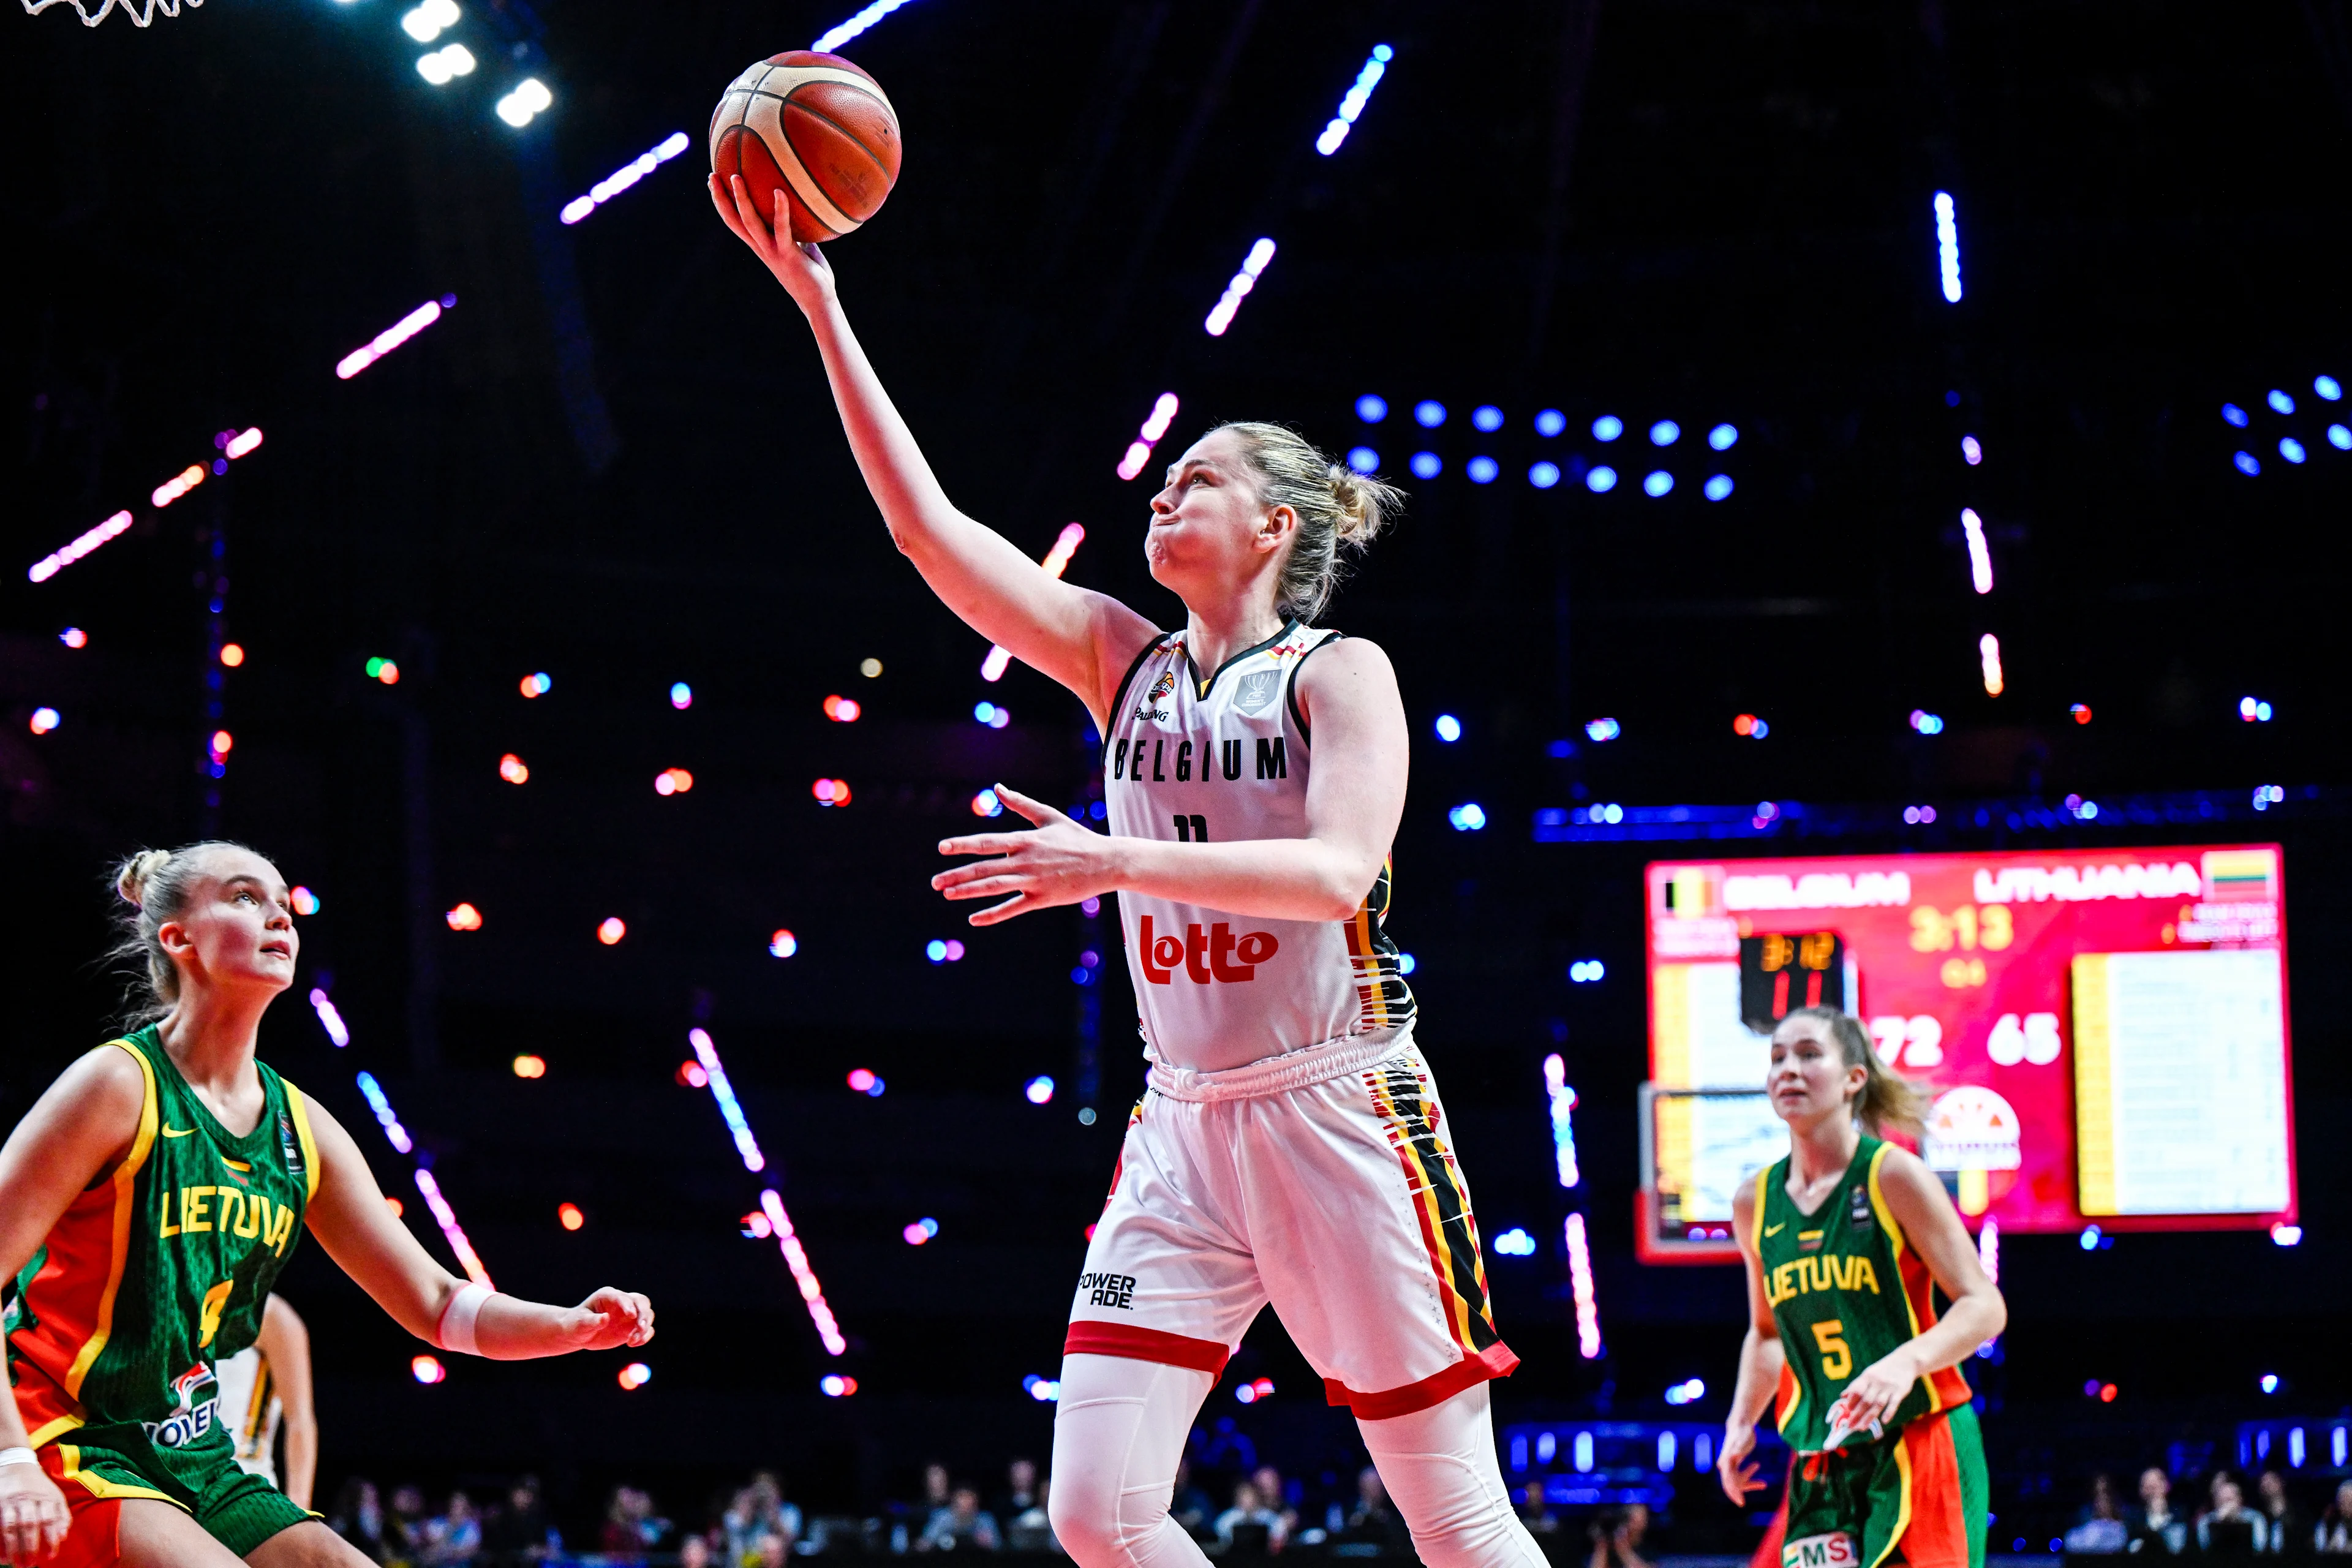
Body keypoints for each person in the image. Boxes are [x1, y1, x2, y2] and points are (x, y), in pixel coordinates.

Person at [715, 161, 1542, 1568]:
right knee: (1095, 1510)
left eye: (1196, 480)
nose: (1163, 496)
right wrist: (821, 306)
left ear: (1276, 527)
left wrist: (1107, 853)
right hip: (1182, 1125)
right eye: (1163, 480)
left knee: (1452, 1516)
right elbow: (927, 532)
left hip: (1339, 1106)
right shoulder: (1123, 656)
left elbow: (1339, 873)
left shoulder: (1341, 672)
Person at [0, 843, 655, 1568]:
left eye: (284, 901)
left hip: (192, 1451)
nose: (280, 914)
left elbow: (437, 1301)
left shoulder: (298, 1127)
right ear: (179, 938)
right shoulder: (117, 1085)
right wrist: (10, 1462)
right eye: (246, 897)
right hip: (59, 1433)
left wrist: (569, 1324)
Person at [1717, 1008, 2005, 1568]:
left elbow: (1984, 1306)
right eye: (1777, 1058)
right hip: (1822, 1456)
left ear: (1854, 1078)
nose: (1788, 1070)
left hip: (1921, 1438)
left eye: (1808, 1054)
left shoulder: (1892, 1175)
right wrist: (1740, 1421)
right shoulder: (1754, 1202)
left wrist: (1906, 1362)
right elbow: (1769, 1332)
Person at [211, 1295, 315, 1510]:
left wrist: (299, 1511)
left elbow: (300, 1421)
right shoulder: (189, 1299)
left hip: (244, 1479)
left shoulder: (274, 1316)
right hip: (186, 1473)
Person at [478, 1477, 552, 1565]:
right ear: (513, 1494)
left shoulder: (536, 1520)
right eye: (522, 1493)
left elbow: (544, 1545)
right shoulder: (499, 1517)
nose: (526, 1497)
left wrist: (539, 1550)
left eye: (529, 1494)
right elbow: (497, 1547)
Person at [323, 1479, 390, 1564]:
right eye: (370, 1500)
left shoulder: (381, 1530)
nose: (377, 1509)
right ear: (356, 1502)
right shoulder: (340, 1526)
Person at [2201, 1472, 2266, 1558]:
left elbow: (2259, 1548)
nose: (2228, 1506)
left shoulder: (2255, 1518)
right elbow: (2205, 1548)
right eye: (2224, 1500)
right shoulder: (2206, 1521)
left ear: (2240, 1500)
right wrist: (2220, 1522)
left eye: (2231, 1499)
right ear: (2216, 1502)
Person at [918, 1487, 1000, 1552]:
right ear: (953, 1505)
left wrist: (988, 1542)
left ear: (976, 1506)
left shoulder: (985, 1519)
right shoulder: (942, 1517)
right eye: (961, 1506)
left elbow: (999, 1547)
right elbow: (924, 1543)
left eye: (969, 1506)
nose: (964, 1511)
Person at [1211, 1483, 1284, 1555]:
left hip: (1265, 1556)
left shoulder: (1268, 1516)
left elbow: (1279, 1529)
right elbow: (1219, 1529)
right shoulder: (1230, 1516)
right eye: (1244, 1496)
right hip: (1234, 1556)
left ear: (1257, 1497)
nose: (1248, 1500)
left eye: (1250, 1496)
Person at [2130, 1468, 2188, 1556]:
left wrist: (2160, 1515)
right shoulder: (2134, 1518)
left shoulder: (2179, 1514)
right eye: (2148, 1487)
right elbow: (2132, 1549)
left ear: (2167, 1486)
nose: (2153, 1492)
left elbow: (2177, 1548)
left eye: (2156, 1487)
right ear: (2141, 1491)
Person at [2068, 1476, 2128, 1555]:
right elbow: (2071, 1542)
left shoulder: (2120, 1528)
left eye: (2105, 1501)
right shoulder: (2089, 1526)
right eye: (2099, 1502)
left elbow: (2119, 1544)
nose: (2102, 1505)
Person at [2256, 1471, 2305, 1556]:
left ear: (2281, 1483)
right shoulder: (2259, 1515)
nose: (2266, 1485)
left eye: (2271, 1481)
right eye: (2263, 1482)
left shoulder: (2298, 1513)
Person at [1586, 1503, 1650, 1568]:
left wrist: (1623, 1550)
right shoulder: (1601, 1547)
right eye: (1630, 1520)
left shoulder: (1649, 1550)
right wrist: (1601, 1546)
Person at [2316, 1482, 2352, 1553]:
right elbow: (2320, 1550)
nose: (2346, 1506)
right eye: (2343, 1502)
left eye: (2349, 1502)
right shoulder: (2328, 1523)